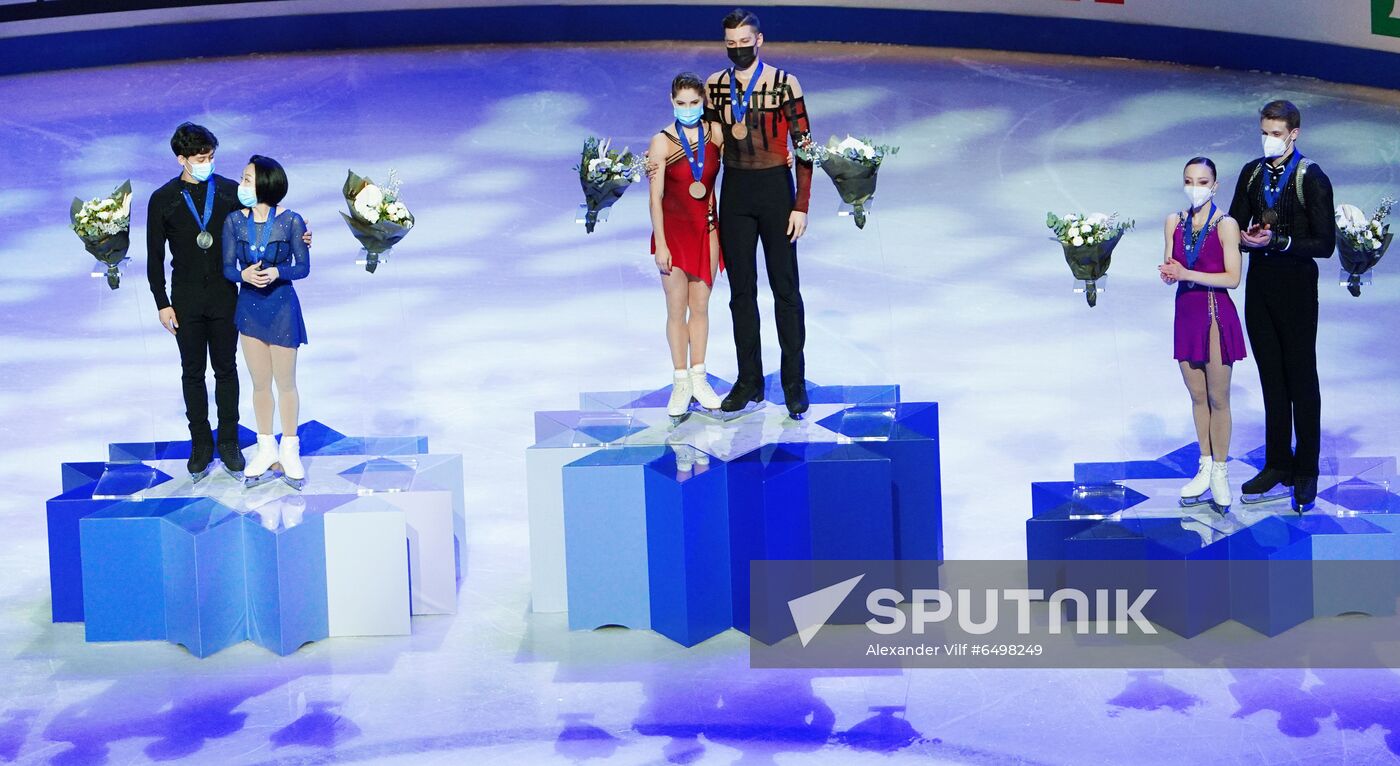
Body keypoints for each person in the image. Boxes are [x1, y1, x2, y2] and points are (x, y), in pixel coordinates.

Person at [1227, 100, 1336, 511]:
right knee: (1271, 375)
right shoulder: (1252, 173)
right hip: (1261, 286)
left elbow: (1325, 245)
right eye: (1264, 132)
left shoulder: (1313, 178)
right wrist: (1246, 234)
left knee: (1301, 378)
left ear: (1294, 134)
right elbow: (1233, 227)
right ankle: (1278, 463)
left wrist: (1278, 241)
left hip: (1297, 287)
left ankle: (1306, 468)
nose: (1268, 140)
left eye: (1276, 133)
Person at [706, 7, 813, 418]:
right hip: (735, 192)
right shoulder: (716, 86)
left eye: (744, 44)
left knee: (785, 290)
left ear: (759, 40)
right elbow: (710, 147)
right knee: (740, 294)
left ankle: (793, 382)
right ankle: (749, 380)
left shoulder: (785, 84)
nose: (737, 51)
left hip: (775, 193)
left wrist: (800, 205)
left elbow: (804, 147)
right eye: (730, 45)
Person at [1159, 157, 1245, 510]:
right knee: (1196, 397)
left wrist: (1186, 275)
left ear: (1215, 185)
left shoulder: (1226, 225)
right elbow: (1170, 266)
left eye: (1202, 181)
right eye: (1189, 180)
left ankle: (1221, 471)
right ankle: (1205, 465)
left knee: (1218, 398)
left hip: (1215, 313)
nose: (1195, 186)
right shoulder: (1172, 222)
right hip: (1187, 312)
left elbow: (1233, 279)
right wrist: (1168, 274)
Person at [222, 155, 311, 489]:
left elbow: (302, 267)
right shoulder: (233, 221)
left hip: (282, 308)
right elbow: (228, 267)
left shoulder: (291, 221)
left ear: (264, 184)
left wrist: (278, 271)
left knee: (285, 383)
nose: (242, 184)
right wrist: (242, 274)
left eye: (247, 179)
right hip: (250, 308)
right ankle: (265, 447)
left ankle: (290, 447)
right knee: (259, 384)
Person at [649, 72, 727, 418]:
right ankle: (680, 380)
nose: (688, 108)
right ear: (672, 102)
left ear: (703, 103)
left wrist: (781, 160)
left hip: (707, 231)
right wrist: (661, 244)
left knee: (701, 307)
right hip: (673, 235)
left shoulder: (715, 135)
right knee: (675, 309)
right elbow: (655, 199)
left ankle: (699, 376)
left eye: (694, 103)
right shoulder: (662, 142)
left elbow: (744, 162)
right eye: (681, 103)